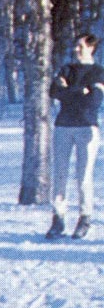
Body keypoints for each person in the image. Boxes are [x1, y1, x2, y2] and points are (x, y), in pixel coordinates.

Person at [46, 33, 104, 239]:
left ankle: (85, 217)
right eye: (75, 46)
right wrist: (81, 91)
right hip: (63, 127)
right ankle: (58, 218)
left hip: (87, 128)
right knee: (59, 174)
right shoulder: (67, 69)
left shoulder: (98, 72)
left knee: (83, 176)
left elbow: (94, 101)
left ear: (91, 48)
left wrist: (69, 91)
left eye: (80, 46)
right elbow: (54, 92)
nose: (76, 49)